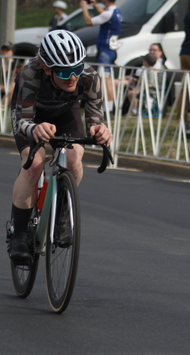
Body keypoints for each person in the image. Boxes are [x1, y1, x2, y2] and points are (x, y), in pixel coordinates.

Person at [7, 30, 112, 262]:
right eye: (65, 72)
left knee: (74, 159)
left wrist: (99, 129)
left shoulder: (89, 76)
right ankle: (20, 234)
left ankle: (63, 213)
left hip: (65, 113)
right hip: (32, 116)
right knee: (34, 164)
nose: (73, 77)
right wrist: (34, 129)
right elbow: (22, 118)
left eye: (77, 69)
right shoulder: (29, 74)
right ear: (47, 68)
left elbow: (95, 117)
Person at [80, 0, 122, 114]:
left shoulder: (107, 14)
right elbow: (105, 13)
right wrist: (94, 5)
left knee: (105, 79)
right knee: (107, 78)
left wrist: (84, 7)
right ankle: (109, 106)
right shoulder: (117, 12)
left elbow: (88, 22)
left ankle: (108, 108)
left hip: (105, 50)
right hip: (111, 49)